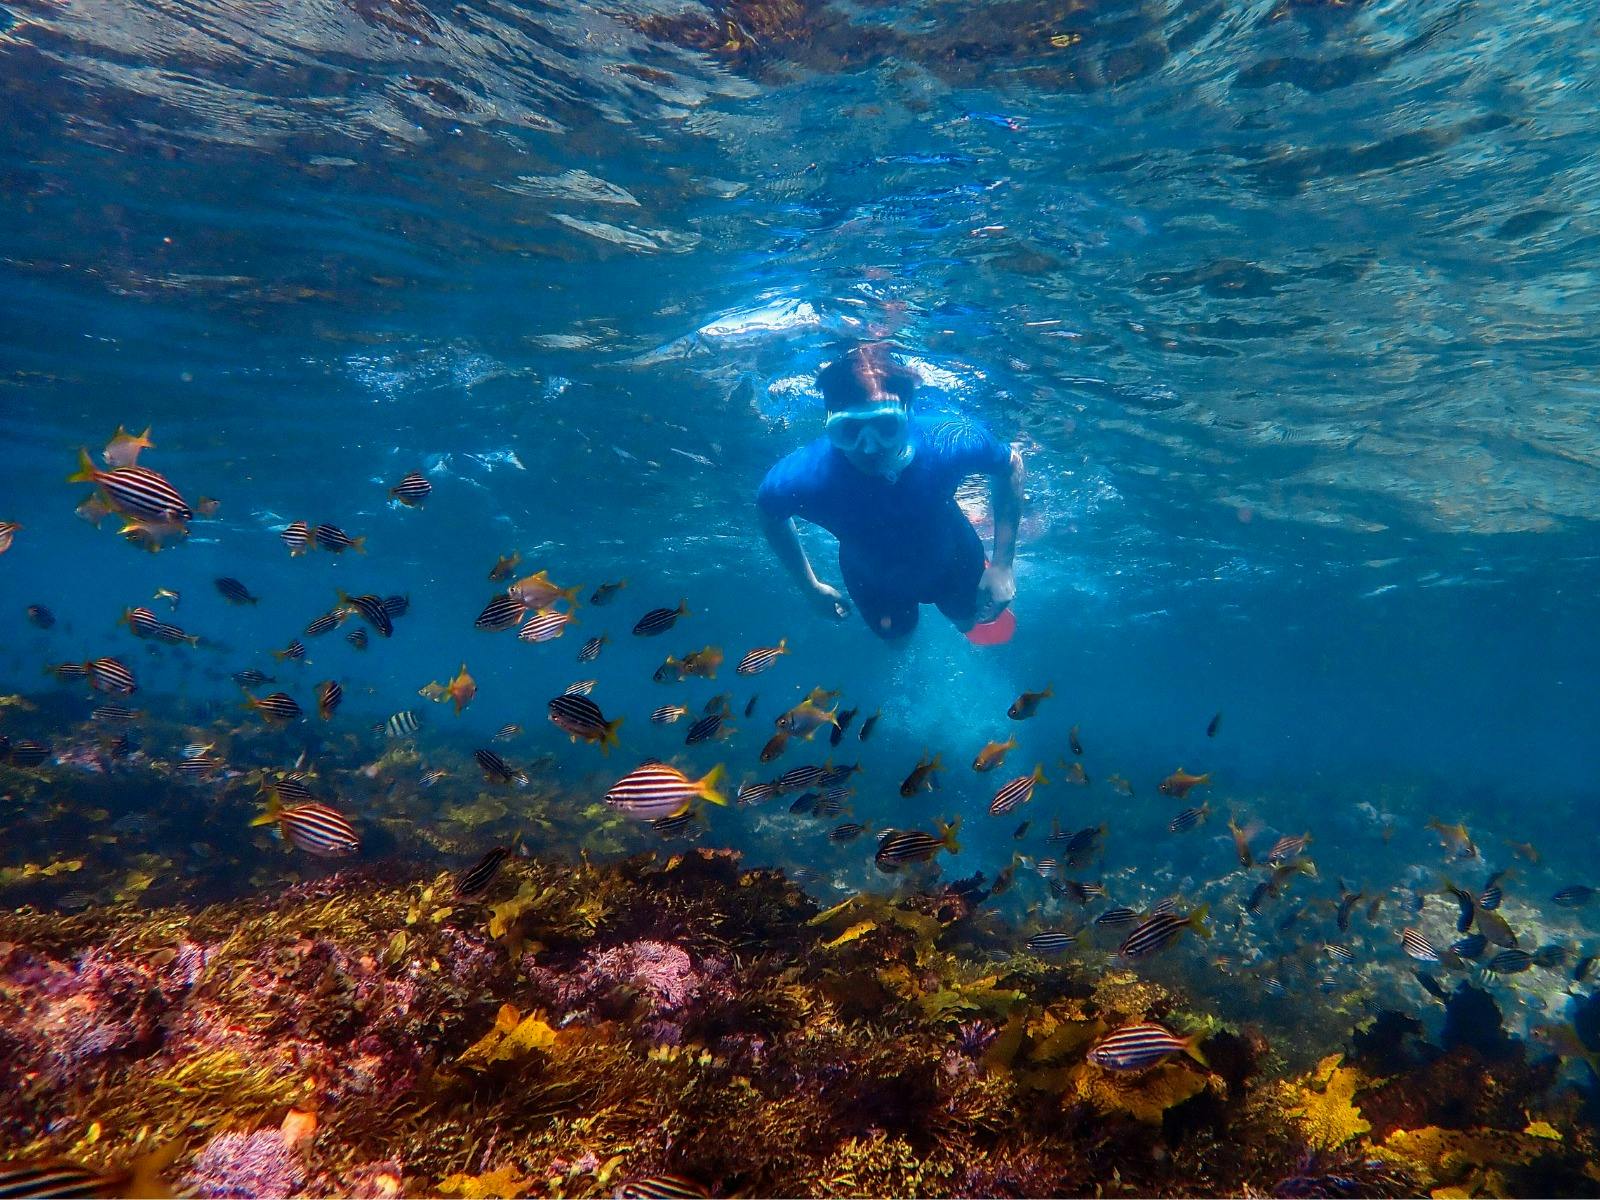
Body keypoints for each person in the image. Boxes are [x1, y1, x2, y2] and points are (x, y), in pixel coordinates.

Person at [756, 343, 1024, 641]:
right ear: (829, 422)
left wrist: (1002, 564)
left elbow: (1012, 463)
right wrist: (810, 586)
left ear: (908, 414)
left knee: (965, 622)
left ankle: (964, 621)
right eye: (849, 430)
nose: (869, 447)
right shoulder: (803, 475)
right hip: (874, 583)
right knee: (897, 641)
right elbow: (768, 514)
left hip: (954, 560)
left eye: (885, 426)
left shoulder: (949, 441)